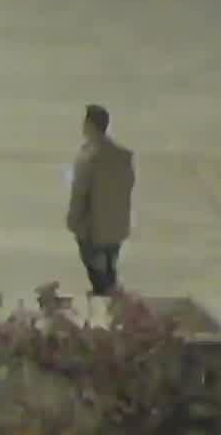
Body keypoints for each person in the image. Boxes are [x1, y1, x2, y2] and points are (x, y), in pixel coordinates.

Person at [65, 104, 135, 297]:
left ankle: (105, 307)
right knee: (110, 271)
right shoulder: (123, 156)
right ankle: (113, 303)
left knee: (97, 275)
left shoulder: (88, 157)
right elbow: (128, 187)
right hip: (116, 227)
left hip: (92, 229)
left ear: (90, 125)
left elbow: (80, 193)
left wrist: (73, 220)